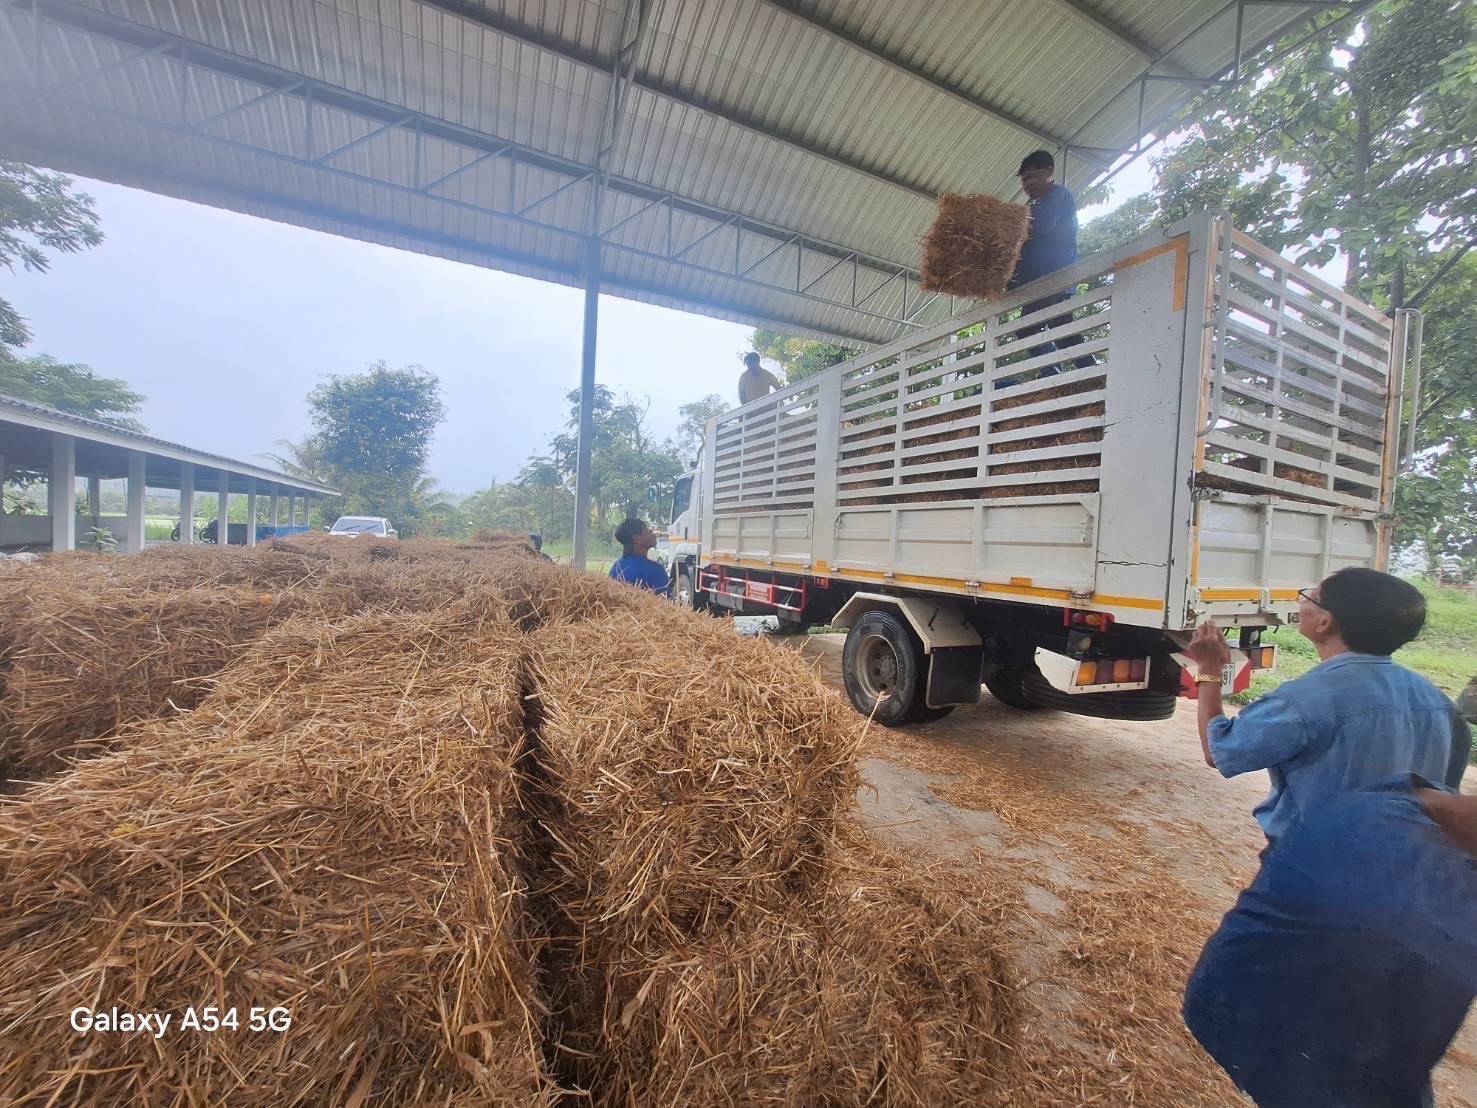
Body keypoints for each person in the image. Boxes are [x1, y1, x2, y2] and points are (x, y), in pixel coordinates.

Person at [1183, 775, 1477, 1107]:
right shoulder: (1421, 884)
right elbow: (1224, 753)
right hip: (1283, 1022)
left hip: (1358, 1015)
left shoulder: (1392, 795)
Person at [1184, 567, 1470, 852]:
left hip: (1320, 867)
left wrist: (1210, 670)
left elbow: (1220, 751)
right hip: (1408, 867)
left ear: (1325, 622)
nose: (1302, 601)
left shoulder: (1304, 699)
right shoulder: (1439, 703)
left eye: (1311, 596)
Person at [1000, 149, 1090, 382]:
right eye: (1024, 180)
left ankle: (1059, 374)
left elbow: (1039, 227)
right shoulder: (1033, 207)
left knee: (1029, 328)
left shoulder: (1058, 196)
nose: (1027, 184)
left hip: (1054, 277)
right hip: (1040, 280)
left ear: (1049, 172)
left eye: (1031, 177)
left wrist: (1005, 231)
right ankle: (1084, 374)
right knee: (1062, 329)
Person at [608, 516, 670, 594]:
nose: (651, 532)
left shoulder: (617, 566)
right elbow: (667, 603)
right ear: (637, 539)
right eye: (647, 530)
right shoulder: (655, 571)